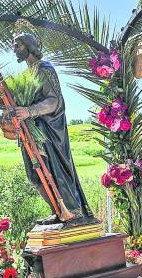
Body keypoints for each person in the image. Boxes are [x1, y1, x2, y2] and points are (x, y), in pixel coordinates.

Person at [12, 32, 92, 225]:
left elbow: (54, 101)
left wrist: (30, 111)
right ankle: (57, 210)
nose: (14, 49)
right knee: (35, 175)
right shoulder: (26, 75)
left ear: (29, 46)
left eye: (18, 45)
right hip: (31, 132)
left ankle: (73, 211)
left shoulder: (44, 69)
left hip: (49, 132)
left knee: (53, 170)